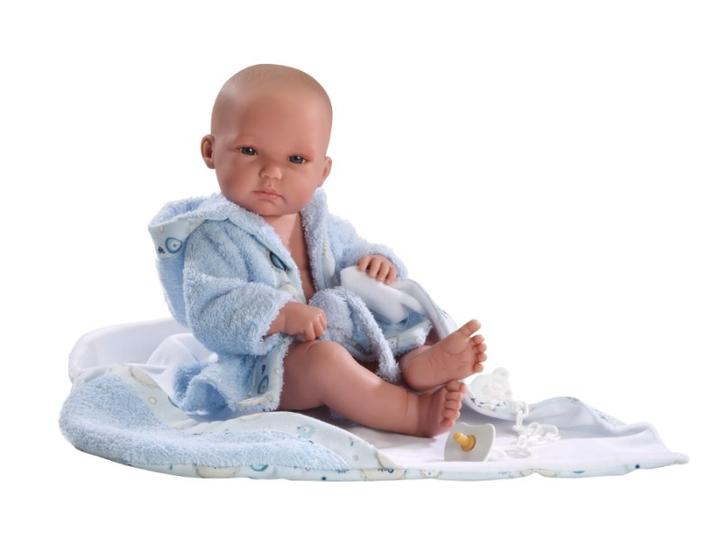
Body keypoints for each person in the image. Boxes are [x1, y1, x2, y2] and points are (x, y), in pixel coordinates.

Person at [151, 64, 487, 437]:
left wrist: (377, 261)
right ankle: (411, 411)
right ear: (210, 150)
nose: (272, 172)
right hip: (273, 368)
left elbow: (355, 253)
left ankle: (416, 367)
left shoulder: (320, 223)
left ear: (322, 171)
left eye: (295, 159)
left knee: (406, 328)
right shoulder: (215, 234)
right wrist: (279, 315)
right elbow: (210, 310)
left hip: (346, 341)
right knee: (324, 363)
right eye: (249, 150)